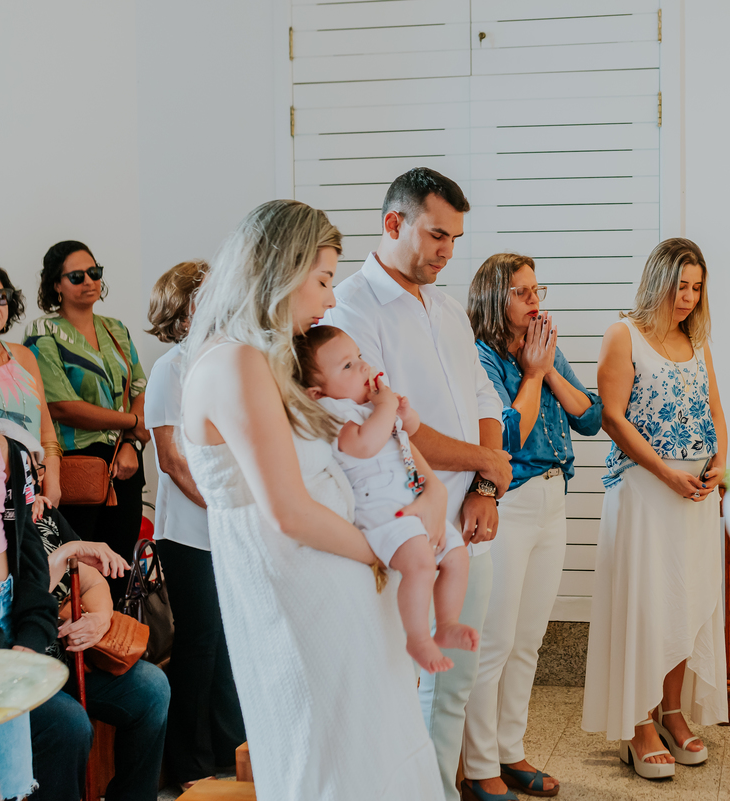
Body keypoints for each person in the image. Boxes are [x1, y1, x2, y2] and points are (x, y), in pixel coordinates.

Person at [179, 199, 445, 799]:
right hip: (303, 587)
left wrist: (423, 498)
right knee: (335, 758)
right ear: (281, 269)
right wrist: (382, 550)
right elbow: (288, 511)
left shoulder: (267, 360)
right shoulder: (237, 362)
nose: (330, 299)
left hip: (339, 573)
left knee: (371, 745)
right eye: (323, 279)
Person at [323, 167, 511, 801]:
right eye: (436, 235)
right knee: (404, 682)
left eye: (455, 238)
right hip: (405, 523)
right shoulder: (352, 307)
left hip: (470, 519)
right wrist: (485, 464)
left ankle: (441, 790)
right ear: (394, 223)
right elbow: (394, 424)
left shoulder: (449, 307)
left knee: (454, 678)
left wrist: (486, 487)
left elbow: (485, 397)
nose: (447, 252)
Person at [582, 238, 729, 780]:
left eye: (696, 287)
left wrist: (720, 464)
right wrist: (667, 472)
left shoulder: (697, 342)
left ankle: (673, 711)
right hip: (646, 492)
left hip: (693, 497)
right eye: (680, 285)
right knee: (647, 603)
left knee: (684, 603)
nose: (688, 297)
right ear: (658, 281)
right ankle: (640, 722)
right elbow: (614, 419)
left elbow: (716, 412)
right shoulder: (623, 335)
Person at [462, 254, 602, 799]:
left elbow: (588, 418)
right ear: (497, 300)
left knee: (528, 640)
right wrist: (534, 373)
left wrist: (545, 367)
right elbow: (508, 434)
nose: (535, 301)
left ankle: (509, 750)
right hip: (507, 502)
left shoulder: (544, 347)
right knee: (494, 641)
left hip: (552, 498)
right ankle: (479, 767)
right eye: (523, 293)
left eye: (536, 290)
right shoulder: (481, 357)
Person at [295, 325, 477, 673]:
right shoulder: (334, 413)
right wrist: (385, 408)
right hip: (382, 509)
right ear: (316, 393)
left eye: (359, 358)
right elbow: (363, 445)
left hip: (410, 501)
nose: (363, 367)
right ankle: (418, 638)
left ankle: (447, 621)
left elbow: (406, 434)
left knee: (456, 556)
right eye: (347, 366)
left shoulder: (368, 407)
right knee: (421, 565)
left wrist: (404, 416)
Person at [144, 260, 246, 789]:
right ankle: (189, 765)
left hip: (230, 526)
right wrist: (226, 506)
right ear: (181, 310)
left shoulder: (225, 360)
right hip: (188, 531)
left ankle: (232, 754)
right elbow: (173, 461)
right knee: (200, 644)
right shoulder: (170, 368)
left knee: (230, 643)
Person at [24, 241, 149, 601]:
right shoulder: (42, 333)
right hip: (75, 468)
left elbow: (140, 387)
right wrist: (133, 423)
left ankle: (116, 651)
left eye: (94, 273)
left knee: (119, 567)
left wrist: (131, 443)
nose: (89, 281)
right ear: (55, 285)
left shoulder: (117, 329)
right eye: (77, 276)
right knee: (80, 573)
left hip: (122, 465)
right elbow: (61, 405)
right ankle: (80, 653)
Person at [0, 319, 59, 801]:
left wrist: (30, 635)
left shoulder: (9, 453)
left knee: (11, 783)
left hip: (8, 620)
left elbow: (29, 560)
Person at [34, 507, 170, 801]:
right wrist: (65, 553)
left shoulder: (48, 519)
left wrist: (99, 618)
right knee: (69, 723)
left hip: (72, 659)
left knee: (152, 688)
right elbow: (24, 600)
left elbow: (93, 581)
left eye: (36, 471)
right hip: (28, 675)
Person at [0, 261, 61, 504]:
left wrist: (52, 485)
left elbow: (47, 432)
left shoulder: (23, 356)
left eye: (0, 296)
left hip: (34, 496)